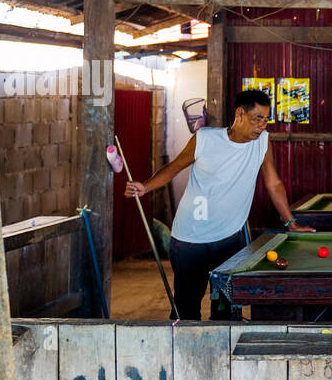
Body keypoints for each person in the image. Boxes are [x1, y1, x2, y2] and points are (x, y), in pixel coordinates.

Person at [125, 88, 313, 320]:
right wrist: (145, 186)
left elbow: (273, 183)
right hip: (190, 240)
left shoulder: (262, 142)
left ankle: (223, 355)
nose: (262, 125)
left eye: (266, 119)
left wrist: (291, 222)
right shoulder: (204, 138)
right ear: (240, 113)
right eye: (257, 118)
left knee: (226, 309)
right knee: (187, 309)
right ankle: (185, 353)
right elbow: (174, 167)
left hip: (230, 240)